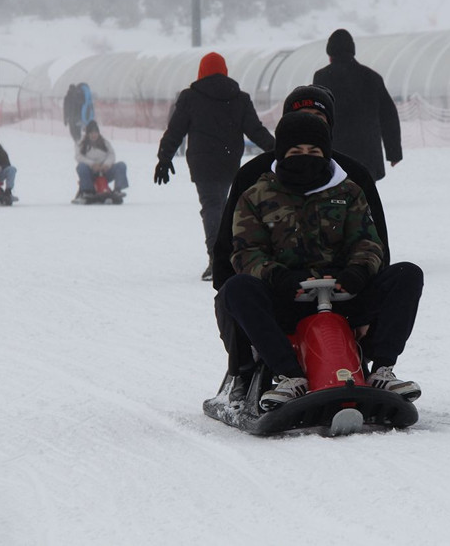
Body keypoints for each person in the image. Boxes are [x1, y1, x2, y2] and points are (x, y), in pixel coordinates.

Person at [219, 112, 423, 411]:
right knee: (238, 289)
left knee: (407, 275)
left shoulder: (349, 192)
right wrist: (276, 276)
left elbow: (367, 241)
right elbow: (246, 250)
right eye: (296, 152)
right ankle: (288, 374)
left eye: (314, 152)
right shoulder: (256, 196)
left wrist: (359, 270)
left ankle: (382, 368)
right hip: (287, 296)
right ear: (282, 154)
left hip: (344, 293)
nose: (306, 158)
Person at [154, 52, 275, 281]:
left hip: (202, 163)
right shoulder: (239, 98)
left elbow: (176, 130)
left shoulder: (190, 97)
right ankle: (227, 257)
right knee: (224, 208)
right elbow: (256, 131)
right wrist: (278, 149)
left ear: (201, 71)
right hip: (229, 161)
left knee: (212, 207)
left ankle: (216, 260)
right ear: (225, 71)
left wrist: (164, 157)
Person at [313, 29, 402, 181]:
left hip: (335, 152)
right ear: (352, 51)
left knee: (336, 197)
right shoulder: (372, 77)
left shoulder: (322, 77)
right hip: (367, 154)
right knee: (364, 196)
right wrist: (393, 152)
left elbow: (316, 114)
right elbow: (388, 116)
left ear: (330, 54)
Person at [73, 120, 128, 201]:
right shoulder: (81, 144)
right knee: (81, 167)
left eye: (95, 132)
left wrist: (106, 164)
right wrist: (92, 164)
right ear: (88, 134)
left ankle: (117, 190)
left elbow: (111, 155)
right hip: (90, 172)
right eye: (91, 133)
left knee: (121, 165)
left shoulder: (105, 143)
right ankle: (87, 191)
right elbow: (78, 157)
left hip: (105, 171)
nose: (94, 135)